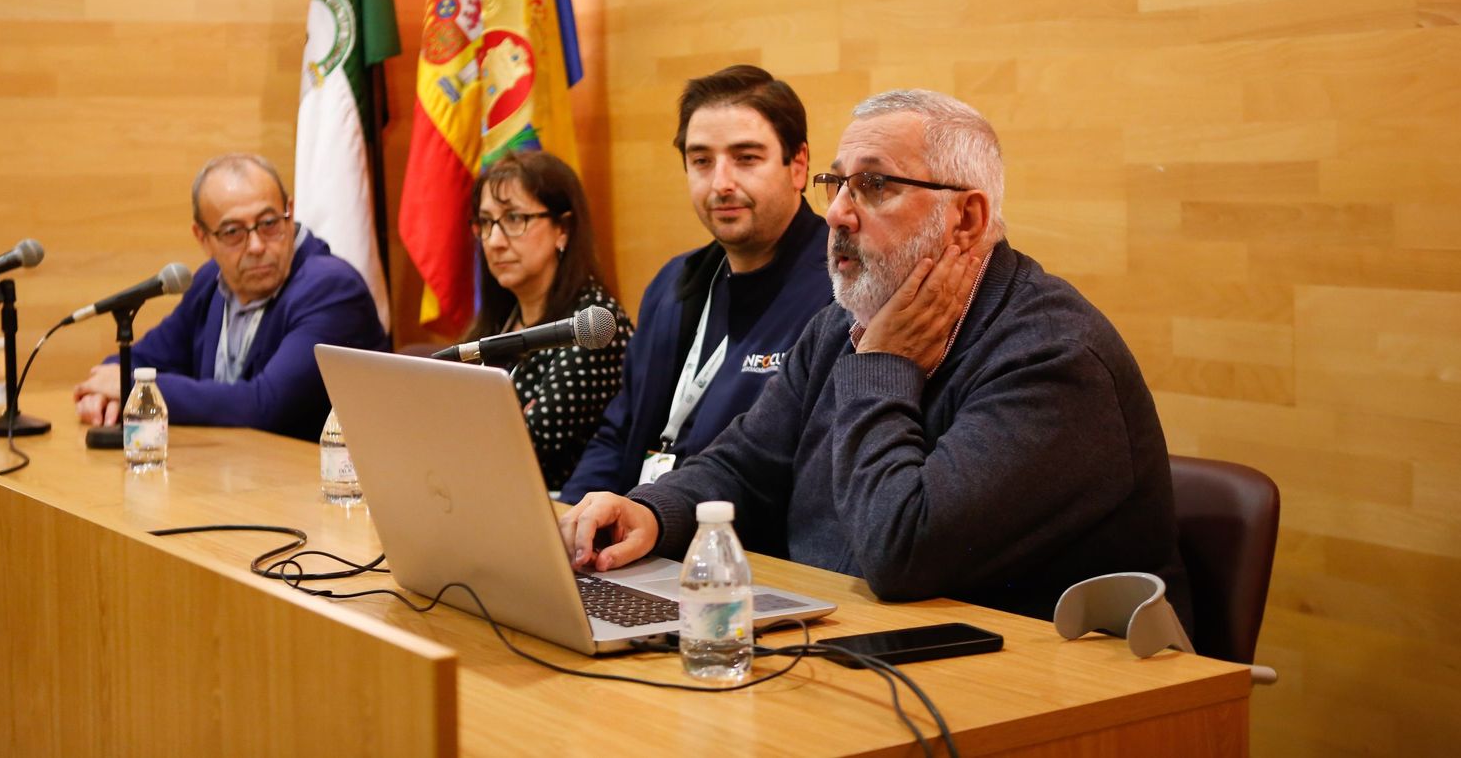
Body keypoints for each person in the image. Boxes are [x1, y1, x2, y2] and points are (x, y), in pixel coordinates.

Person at [560, 90, 1191, 628]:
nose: (836, 212)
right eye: (837, 183)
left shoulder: (1053, 357)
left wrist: (884, 366)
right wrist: (652, 510)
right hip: (859, 645)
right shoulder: (845, 321)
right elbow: (748, 464)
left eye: (875, 186)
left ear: (966, 219)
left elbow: (900, 549)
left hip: (1041, 700)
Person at [557, 65, 833, 503]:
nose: (721, 183)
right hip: (641, 545)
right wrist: (568, 519)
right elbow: (618, 434)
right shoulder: (672, 284)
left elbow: (795, 477)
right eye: (702, 160)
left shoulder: (839, 293)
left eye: (746, 158)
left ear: (797, 165)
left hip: (741, 554)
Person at [72, 153, 389, 441]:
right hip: (233, 479)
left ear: (289, 214)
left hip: (319, 488)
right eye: (233, 232)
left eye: (268, 224)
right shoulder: (211, 281)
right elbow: (143, 358)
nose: (256, 246)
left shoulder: (330, 289)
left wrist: (133, 388)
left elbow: (265, 406)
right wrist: (106, 389)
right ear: (203, 238)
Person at [468, 150, 634, 489]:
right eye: (486, 223)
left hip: (562, 516)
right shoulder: (501, 318)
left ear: (563, 229)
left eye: (515, 219)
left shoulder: (594, 326)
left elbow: (524, 451)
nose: (495, 242)